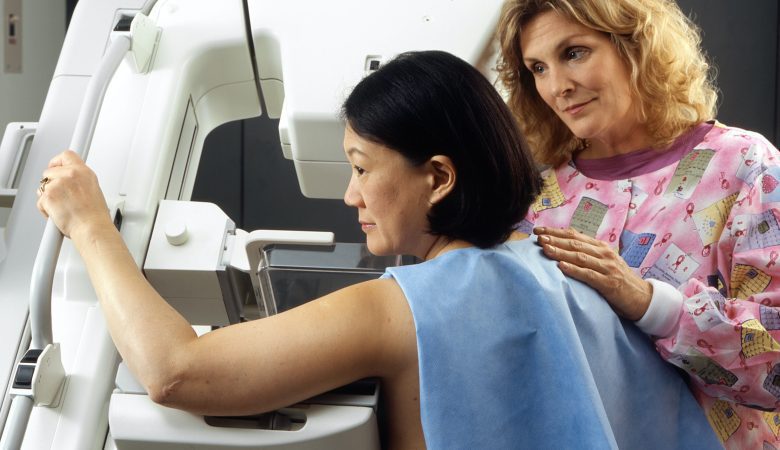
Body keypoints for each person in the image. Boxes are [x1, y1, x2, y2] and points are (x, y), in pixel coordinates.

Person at [36, 50, 718, 449]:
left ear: (439, 177)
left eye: (362, 168)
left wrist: (90, 225)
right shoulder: (578, 278)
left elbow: (175, 373)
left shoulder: (400, 309)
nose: (349, 195)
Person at [497, 0, 780, 447]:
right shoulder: (536, 201)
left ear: (636, 46)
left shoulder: (747, 165)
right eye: (538, 68)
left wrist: (650, 304)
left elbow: (775, 368)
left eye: (574, 53)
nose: (557, 87)